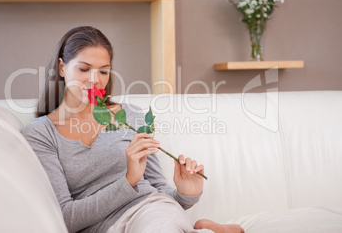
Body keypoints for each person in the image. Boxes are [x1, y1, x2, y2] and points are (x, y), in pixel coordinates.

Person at [22, 26, 244, 233]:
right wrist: (128, 180)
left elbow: (157, 188)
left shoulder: (131, 116)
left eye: (103, 71)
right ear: (62, 67)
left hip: (150, 210)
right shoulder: (42, 133)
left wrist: (187, 194)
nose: (94, 80)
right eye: (84, 69)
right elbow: (66, 217)